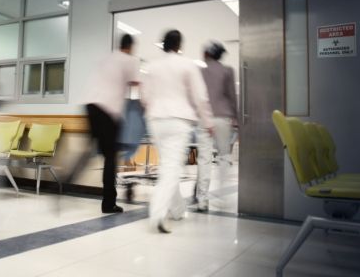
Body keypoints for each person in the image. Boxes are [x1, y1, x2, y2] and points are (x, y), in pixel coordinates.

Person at [142, 30, 213, 233]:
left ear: (163, 44)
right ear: (179, 45)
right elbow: (200, 97)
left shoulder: (152, 66)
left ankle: (178, 210)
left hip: (155, 120)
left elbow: (144, 97)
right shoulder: (187, 64)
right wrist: (207, 121)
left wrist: (153, 109)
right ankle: (157, 214)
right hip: (178, 120)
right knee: (171, 169)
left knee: (167, 166)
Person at [66, 34, 140, 213]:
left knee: (88, 150)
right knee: (110, 157)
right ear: (129, 47)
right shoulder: (129, 60)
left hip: (90, 106)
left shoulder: (105, 59)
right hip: (108, 110)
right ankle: (108, 203)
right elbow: (136, 85)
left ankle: (66, 179)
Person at [194, 41, 238, 212]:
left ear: (208, 54)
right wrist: (237, 118)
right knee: (224, 157)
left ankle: (202, 200)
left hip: (204, 119)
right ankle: (222, 195)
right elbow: (232, 97)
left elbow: (197, 97)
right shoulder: (228, 71)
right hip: (223, 118)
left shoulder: (200, 72)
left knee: (204, 158)